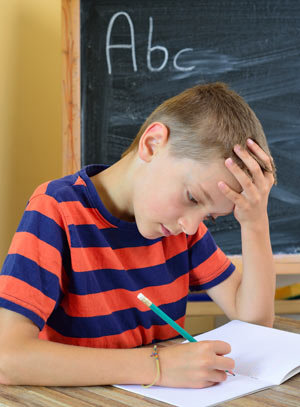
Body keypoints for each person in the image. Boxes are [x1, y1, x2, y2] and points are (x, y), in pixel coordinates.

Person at [0, 82, 276, 388]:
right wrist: (157, 367)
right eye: (193, 198)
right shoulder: (56, 209)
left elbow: (255, 323)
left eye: (209, 216)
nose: (191, 224)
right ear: (153, 144)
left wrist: (255, 223)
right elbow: (8, 358)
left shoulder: (181, 230)